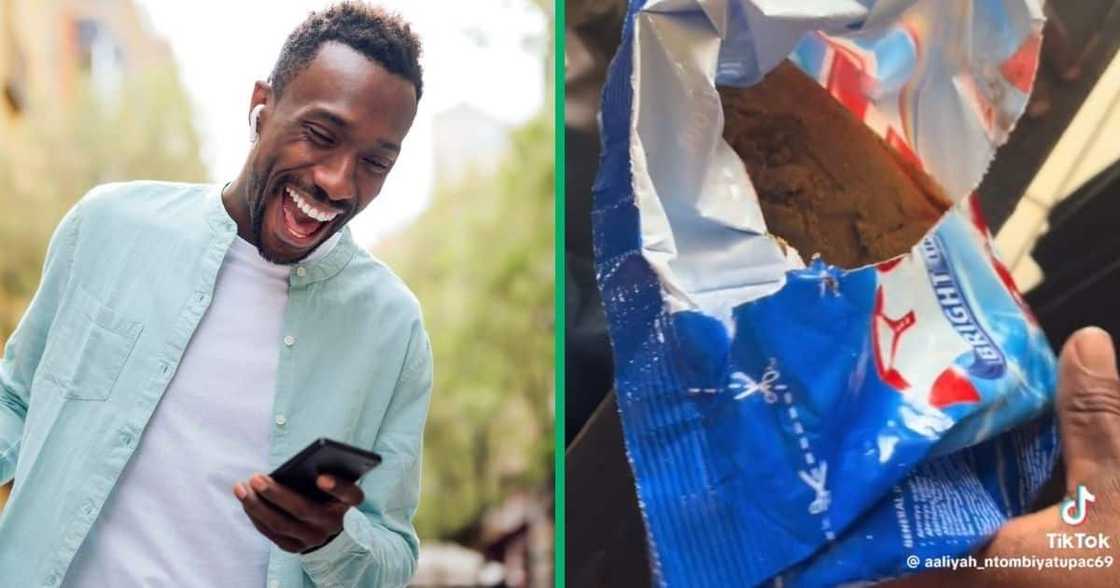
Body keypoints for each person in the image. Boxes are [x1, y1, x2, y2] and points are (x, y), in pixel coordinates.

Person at [0, 3, 431, 587]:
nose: (338, 180)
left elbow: (394, 557)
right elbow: (15, 402)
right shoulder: (107, 227)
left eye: (375, 162)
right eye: (321, 135)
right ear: (262, 105)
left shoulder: (393, 329)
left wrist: (330, 540)